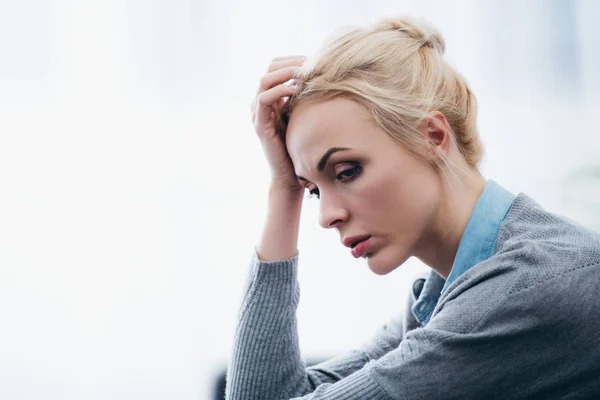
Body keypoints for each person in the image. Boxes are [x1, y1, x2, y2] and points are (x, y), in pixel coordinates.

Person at [225, 15, 600, 400]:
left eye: (347, 171)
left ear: (433, 137)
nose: (326, 217)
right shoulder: (444, 292)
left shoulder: (524, 290)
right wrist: (284, 186)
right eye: (313, 190)